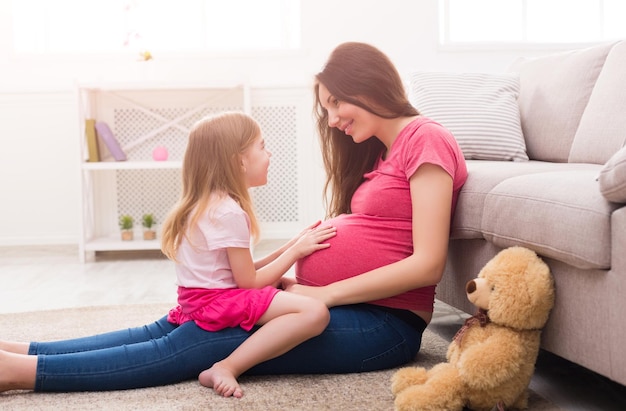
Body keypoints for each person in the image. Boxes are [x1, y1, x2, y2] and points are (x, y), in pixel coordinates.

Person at [0, 41, 467, 394]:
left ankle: (20, 373)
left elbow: (426, 264)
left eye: (333, 104)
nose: (331, 120)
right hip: (343, 305)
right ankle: (26, 351)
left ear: (365, 87)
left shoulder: (425, 139)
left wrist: (321, 291)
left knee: (204, 341)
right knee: (171, 326)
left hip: (386, 326)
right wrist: (296, 275)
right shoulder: (380, 153)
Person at [160, 112, 336, 397]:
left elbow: (234, 271)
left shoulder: (208, 204)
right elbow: (249, 282)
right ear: (239, 161)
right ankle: (227, 366)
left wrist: (291, 244)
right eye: (262, 146)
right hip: (215, 302)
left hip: (200, 298)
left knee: (288, 290)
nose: (269, 153)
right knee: (314, 311)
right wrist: (295, 253)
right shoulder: (227, 212)